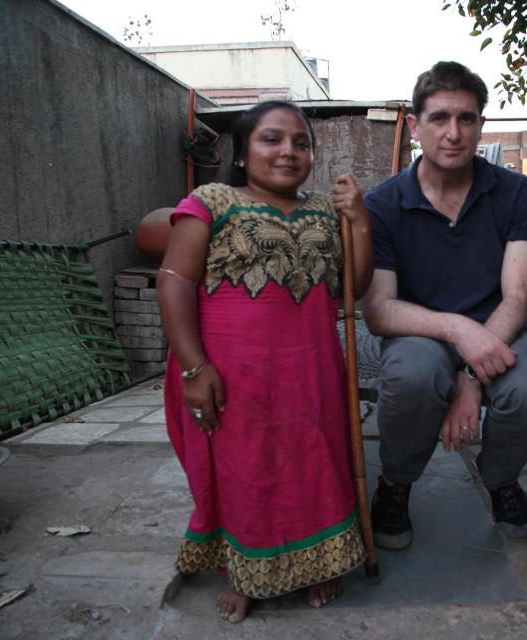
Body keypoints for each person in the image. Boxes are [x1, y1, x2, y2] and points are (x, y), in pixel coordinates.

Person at [157, 100, 373, 623]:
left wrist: (360, 223)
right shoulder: (210, 201)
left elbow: (353, 291)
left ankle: (320, 560)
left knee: (314, 460)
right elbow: (174, 282)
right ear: (242, 153)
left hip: (310, 370)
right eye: (271, 139)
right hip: (231, 372)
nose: (288, 152)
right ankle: (246, 570)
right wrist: (193, 366)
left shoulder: (326, 212)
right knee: (246, 470)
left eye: (301, 143)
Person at [361, 61, 527, 549]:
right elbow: (379, 311)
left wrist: (471, 381)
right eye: (439, 118)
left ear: (480, 124)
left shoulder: (516, 192)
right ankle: (396, 482)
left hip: (501, 329)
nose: (453, 133)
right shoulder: (383, 203)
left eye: (467, 118)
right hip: (419, 333)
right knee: (412, 375)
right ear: (414, 126)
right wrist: (456, 329)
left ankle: (500, 478)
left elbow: (518, 297)